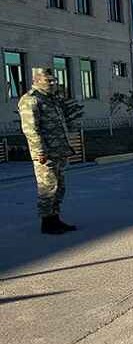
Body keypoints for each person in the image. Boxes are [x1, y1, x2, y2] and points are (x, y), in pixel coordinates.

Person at [20, 67, 76, 235]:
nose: (52, 83)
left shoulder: (51, 99)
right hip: (45, 153)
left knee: (59, 188)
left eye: (53, 81)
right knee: (47, 188)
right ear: (37, 81)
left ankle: (55, 219)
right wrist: (39, 152)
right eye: (48, 81)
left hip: (58, 151)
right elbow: (31, 129)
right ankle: (47, 223)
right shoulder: (30, 100)